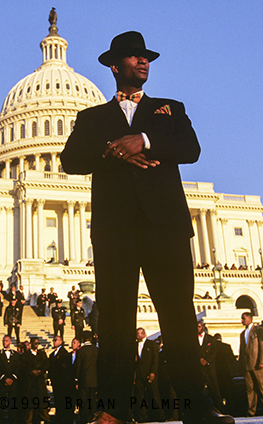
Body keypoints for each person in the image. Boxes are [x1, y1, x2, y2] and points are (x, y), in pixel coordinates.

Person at [60, 31, 232, 424]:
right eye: (134, 57)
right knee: (117, 322)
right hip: (115, 229)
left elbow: (191, 149)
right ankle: (114, 411)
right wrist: (114, 148)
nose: (143, 62)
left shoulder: (170, 109)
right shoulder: (92, 118)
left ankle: (197, 408)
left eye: (146, 57)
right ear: (114, 66)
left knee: (179, 318)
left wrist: (145, 140)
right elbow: (71, 160)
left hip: (165, 226)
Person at [239, 312, 263, 417]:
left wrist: (262, 361)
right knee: (250, 389)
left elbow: (262, 346)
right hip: (247, 365)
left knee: (262, 386)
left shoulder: (258, 330)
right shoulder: (242, 333)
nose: (242, 321)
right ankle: (251, 410)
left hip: (257, 363)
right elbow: (242, 350)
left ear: (250, 319)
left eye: (243, 318)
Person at [133, 327, 164, 423]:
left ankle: (160, 416)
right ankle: (142, 417)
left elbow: (155, 359)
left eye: (139, 333)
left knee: (154, 394)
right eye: (137, 334)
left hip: (149, 373)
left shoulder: (151, 344)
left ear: (144, 334)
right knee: (140, 396)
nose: (138, 335)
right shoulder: (134, 345)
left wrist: (153, 372)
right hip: (139, 374)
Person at [22, 336, 51, 423]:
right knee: (30, 409)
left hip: (40, 383)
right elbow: (23, 367)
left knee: (43, 407)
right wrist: (31, 371)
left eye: (38, 343)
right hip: (30, 384)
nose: (37, 345)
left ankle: (46, 420)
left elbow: (46, 364)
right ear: (31, 344)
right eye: (35, 343)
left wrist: (40, 371)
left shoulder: (42, 354)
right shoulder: (25, 355)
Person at [0, 335, 21, 424]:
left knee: (12, 404)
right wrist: (4, 378)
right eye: (3, 340)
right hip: (1, 383)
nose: (4, 342)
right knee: (0, 404)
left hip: (13, 384)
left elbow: (18, 367)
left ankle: (13, 421)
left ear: (10, 342)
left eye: (6, 341)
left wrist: (12, 378)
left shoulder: (16, 355)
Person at [75, 330, 98, 424]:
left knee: (84, 401)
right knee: (92, 400)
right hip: (94, 380)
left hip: (83, 380)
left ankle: (85, 419)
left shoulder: (81, 351)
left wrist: (76, 379)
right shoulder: (96, 350)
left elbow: (78, 366)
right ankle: (92, 417)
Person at [49, 336, 73, 424]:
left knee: (62, 401)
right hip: (55, 382)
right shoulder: (52, 354)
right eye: (53, 340)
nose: (54, 342)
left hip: (62, 382)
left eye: (56, 340)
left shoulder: (64, 353)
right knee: (57, 401)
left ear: (61, 341)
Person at [197, 321, 221, 409]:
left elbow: (214, 352)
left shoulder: (211, 339)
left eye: (199, 326)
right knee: (200, 389)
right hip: (199, 367)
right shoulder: (193, 339)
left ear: (203, 327)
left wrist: (206, 360)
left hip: (209, 367)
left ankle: (218, 408)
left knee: (214, 388)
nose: (198, 328)